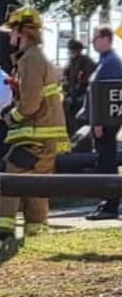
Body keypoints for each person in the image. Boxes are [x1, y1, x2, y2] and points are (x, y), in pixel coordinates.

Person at [0, 7, 68, 238]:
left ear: (22, 32)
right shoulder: (35, 57)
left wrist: (8, 117)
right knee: (36, 186)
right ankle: (36, 234)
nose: (9, 37)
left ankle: (2, 232)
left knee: (10, 176)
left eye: (12, 32)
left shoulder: (30, 59)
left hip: (35, 138)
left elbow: (30, 105)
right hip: (44, 138)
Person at [85, 27, 121, 220]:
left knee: (106, 161)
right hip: (100, 122)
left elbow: (108, 95)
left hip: (105, 123)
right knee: (103, 161)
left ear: (107, 39)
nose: (93, 41)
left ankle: (111, 204)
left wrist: (99, 122)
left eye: (96, 38)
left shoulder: (111, 63)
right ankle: (106, 202)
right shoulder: (104, 62)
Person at [62, 39, 96, 134]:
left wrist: (79, 95)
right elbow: (65, 80)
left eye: (73, 50)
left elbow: (89, 82)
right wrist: (67, 94)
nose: (71, 52)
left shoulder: (87, 62)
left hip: (81, 99)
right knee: (69, 123)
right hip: (71, 100)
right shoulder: (70, 63)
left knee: (79, 123)